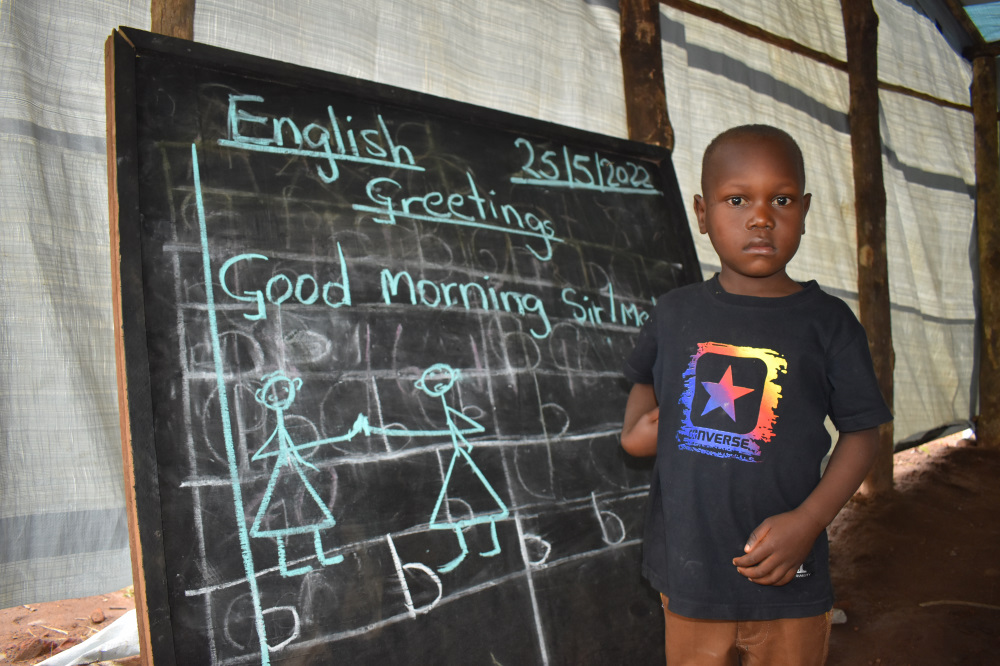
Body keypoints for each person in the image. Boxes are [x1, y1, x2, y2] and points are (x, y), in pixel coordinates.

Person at [620, 124, 893, 665]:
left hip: (789, 575)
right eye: (737, 199)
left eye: (782, 199)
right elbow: (641, 389)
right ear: (702, 213)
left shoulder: (828, 323)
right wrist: (638, 433)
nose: (761, 217)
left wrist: (808, 522)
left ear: (806, 210)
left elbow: (863, 433)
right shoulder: (674, 313)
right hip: (690, 572)